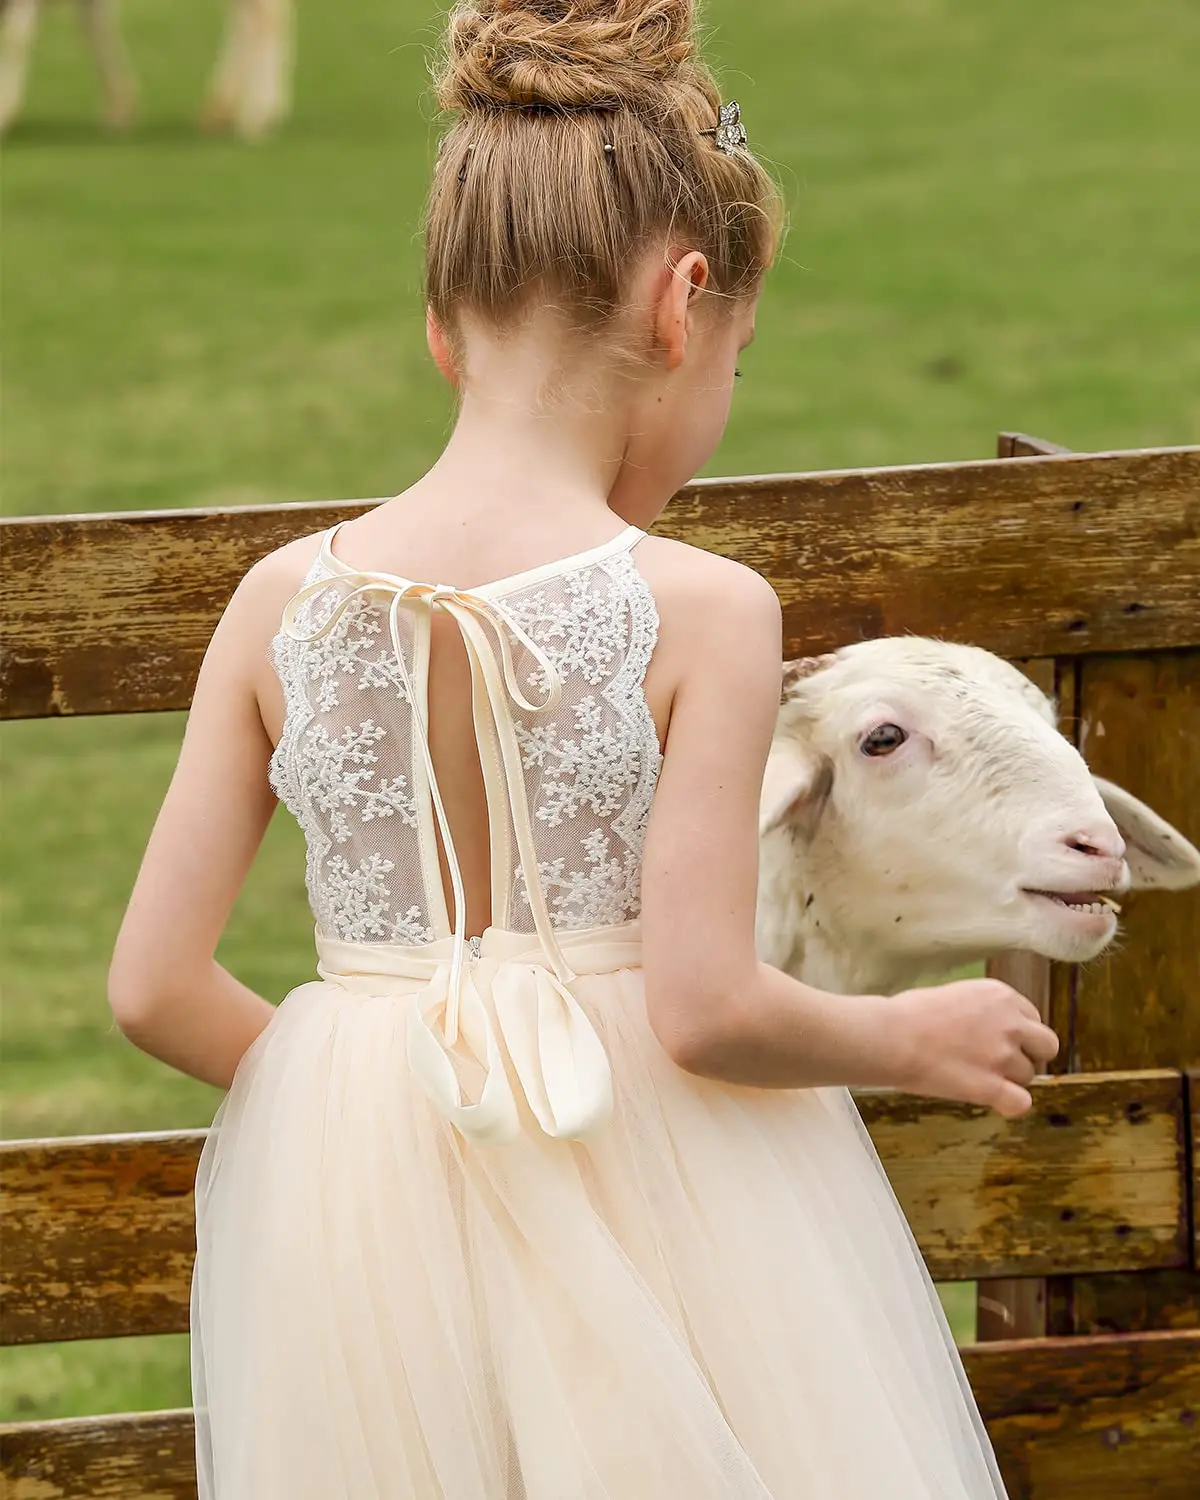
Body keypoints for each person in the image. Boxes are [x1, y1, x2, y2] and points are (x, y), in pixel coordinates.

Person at [110, 2, 1056, 1494]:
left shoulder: (278, 605)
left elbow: (152, 986)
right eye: (733, 364)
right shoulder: (699, 609)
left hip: (365, 1254)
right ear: (686, 306)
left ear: (440, 323)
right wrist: (905, 1037)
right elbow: (701, 1008)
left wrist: (374, 1110)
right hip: (670, 1213)